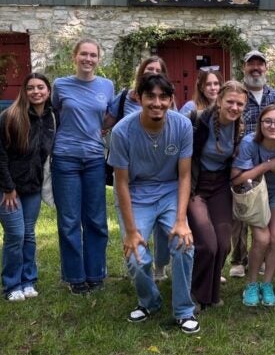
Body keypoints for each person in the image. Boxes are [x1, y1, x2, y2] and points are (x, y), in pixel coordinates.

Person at [109, 73, 199, 333]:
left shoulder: (182, 126)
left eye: (163, 97)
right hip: (136, 193)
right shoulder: (122, 132)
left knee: (184, 244)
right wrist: (131, 231)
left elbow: (184, 176)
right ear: (139, 98)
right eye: (150, 96)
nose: (157, 103)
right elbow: (122, 183)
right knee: (136, 255)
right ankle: (149, 301)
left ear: (171, 100)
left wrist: (182, 221)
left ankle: (183, 310)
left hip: (170, 190)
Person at [0, 72, 56, 301]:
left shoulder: (51, 118)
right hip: (4, 187)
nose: (36, 92)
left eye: (41, 87)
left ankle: (28, 281)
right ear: (24, 92)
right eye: (31, 88)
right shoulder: (11, 116)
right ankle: (12, 285)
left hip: (31, 187)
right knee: (16, 234)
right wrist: (8, 188)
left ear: (48, 91)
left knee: (29, 234)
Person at [51, 38, 114, 294]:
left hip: (94, 159)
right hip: (65, 157)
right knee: (69, 221)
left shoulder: (107, 86)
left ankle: (96, 273)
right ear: (74, 57)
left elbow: (110, 114)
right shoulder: (60, 85)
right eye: (83, 55)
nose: (88, 59)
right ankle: (75, 277)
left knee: (96, 220)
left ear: (99, 59)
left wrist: (102, 129)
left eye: (93, 55)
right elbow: (53, 114)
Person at [106, 55, 170, 282]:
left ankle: (161, 267)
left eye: (158, 70)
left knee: (164, 230)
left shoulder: (167, 102)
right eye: (148, 69)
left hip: (159, 172)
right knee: (137, 226)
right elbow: (107, 122)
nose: (153, 73)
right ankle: (141, 265)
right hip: (130, 171)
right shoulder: (124, 97)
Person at [187, 80, 247, 308]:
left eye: (240, 104)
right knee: (207, 244)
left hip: (220, 186)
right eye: (230, 101)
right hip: (196, 185)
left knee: (223, 244)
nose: (234, 107)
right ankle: (197, 294)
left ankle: (210, 293)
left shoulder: (239, 127)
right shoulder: (198, 121)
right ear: (219, 100)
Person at [232, 103, 275, 307]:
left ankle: (267, 284)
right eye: (268, 121)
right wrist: (267, 165)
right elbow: (235, 179)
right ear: (260, 124)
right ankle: (251, 284)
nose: (273, 125)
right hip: (255, 193)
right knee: (262, 239)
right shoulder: (250, 142)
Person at [228, 49, 275, 278]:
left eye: (260, 65)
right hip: (242, 160)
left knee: (263, 208)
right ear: (244, 68)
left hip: (268, 160)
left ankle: (259, 260)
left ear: (266, 69)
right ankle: (238, 260)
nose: (256, 68)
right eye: (251, 65)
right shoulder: (238, 94)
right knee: (241, 210)